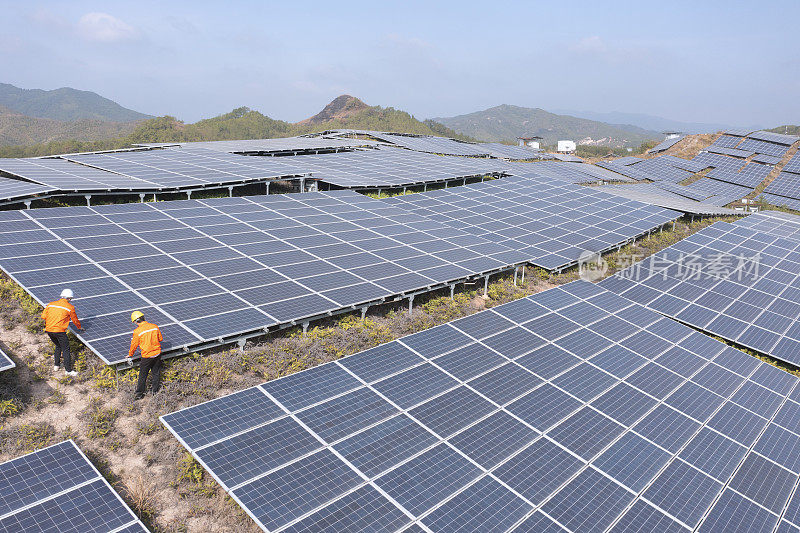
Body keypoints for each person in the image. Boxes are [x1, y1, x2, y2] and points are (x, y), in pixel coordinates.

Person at [41, 288, 83, 377]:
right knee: (66, 349)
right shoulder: (70, 307)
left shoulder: (50, 304)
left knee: (58, 346)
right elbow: (75, 320)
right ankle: (68, 371)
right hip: (59, 331)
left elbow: (43, 316)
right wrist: (79, 327)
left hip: (49, 330)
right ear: (69, 298)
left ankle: (56, 365)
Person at [127, 311, 163, 400]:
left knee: (143, 375)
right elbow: (160, 339)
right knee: (156, 373)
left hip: (147, 356)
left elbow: (134, 345)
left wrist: (130, 354)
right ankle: (155, 392)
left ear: (136, 321)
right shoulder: (155, 327)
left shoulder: (137, 331)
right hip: (157, 354)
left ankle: (139, 394)